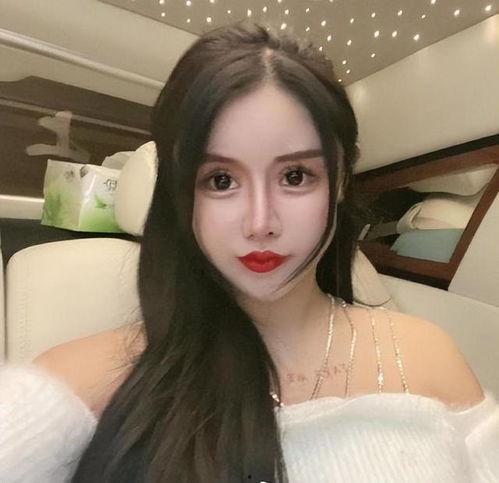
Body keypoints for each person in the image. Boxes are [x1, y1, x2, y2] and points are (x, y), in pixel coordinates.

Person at [1, 21, 498, 483]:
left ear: (341, 181)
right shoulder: (88, 378)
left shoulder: (428, 355)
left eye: (295, 176)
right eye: (220, 180)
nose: (261, 223)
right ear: (181, 195)